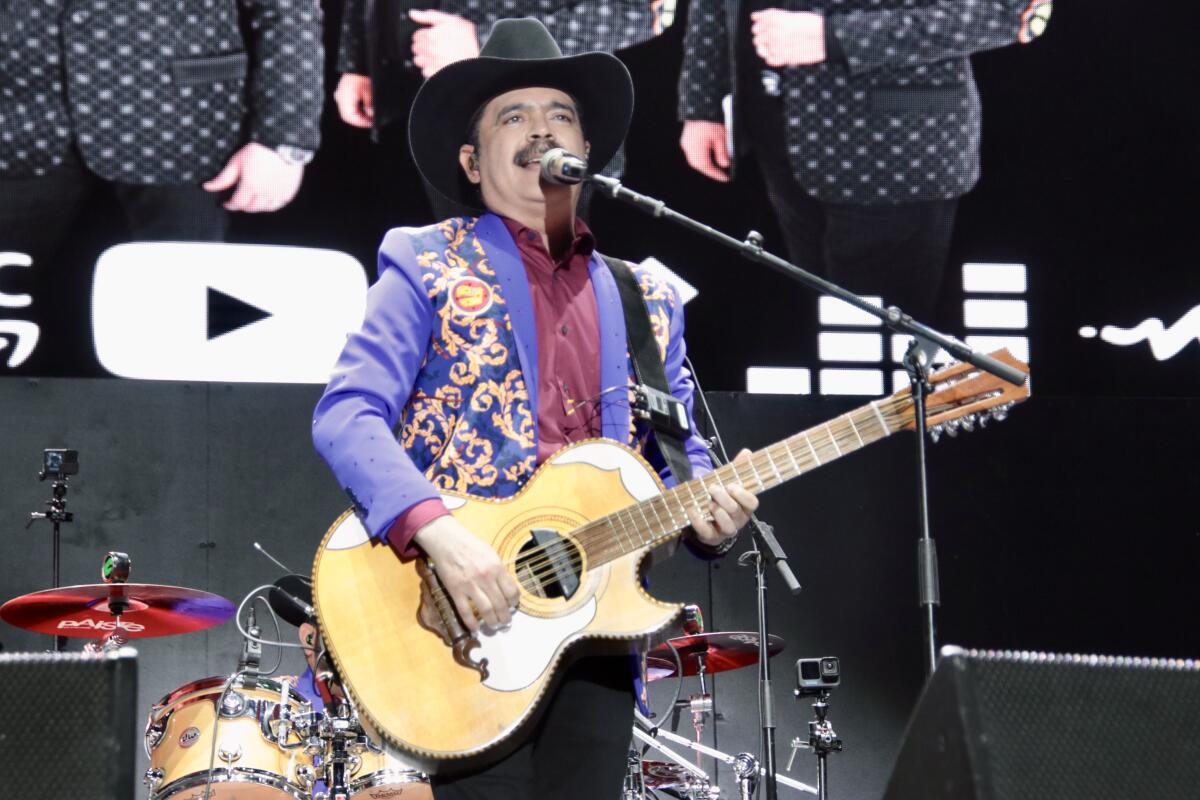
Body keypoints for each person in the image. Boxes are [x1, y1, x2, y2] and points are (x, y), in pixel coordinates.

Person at [311, 18, 757, 799]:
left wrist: (711, 516)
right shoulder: (425, 262)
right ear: (471, 160)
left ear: (587, 151)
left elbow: (679, 459)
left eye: (560, 114)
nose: (541, 127)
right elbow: (347, 414)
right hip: (456, 621)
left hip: (594, 636)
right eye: (513, 116)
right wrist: (444, 537)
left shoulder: (646, 295)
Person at [678, 0, 1053, 324]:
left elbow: (1017, 11)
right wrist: (703, 103)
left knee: (877, 351)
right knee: (817, 334)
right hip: (772, 141)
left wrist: (837, 37)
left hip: (896, 153)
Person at [0, 0, 324, 264]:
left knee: (178, 311)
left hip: (184, 127)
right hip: (19, 120)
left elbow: (287, 10)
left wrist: (284, 140)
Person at [332, 0, 664, 220]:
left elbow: (645, 15)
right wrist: (360, 59)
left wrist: (484, 38)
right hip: (424, 106)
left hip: (535, 116)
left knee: (542, 285)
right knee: (451, 281)